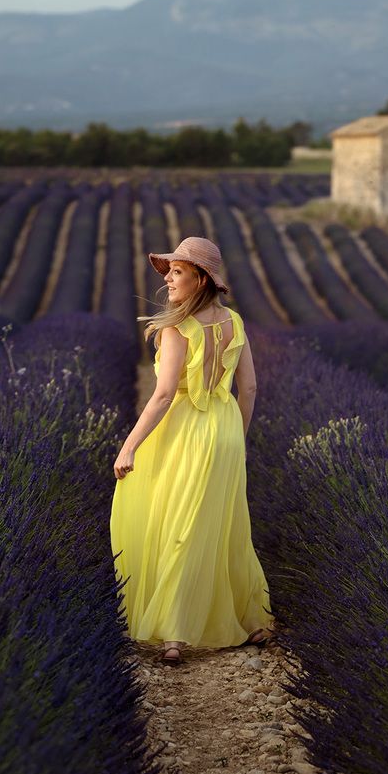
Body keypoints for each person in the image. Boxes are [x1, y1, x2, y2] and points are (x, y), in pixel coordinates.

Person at [109, 236, 272, 665]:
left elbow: (164, 395)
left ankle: (175, 634)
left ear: (201, 279)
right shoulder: (234, 321)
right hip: (226, 427)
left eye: (177, 272)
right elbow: (249, 388)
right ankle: (251, 621)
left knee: (180, 524)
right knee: (225, 527)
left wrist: (128, 446)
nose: (167, 280)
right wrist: (237, 439)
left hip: (186, 431)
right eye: (169, 272)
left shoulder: (177, 327)